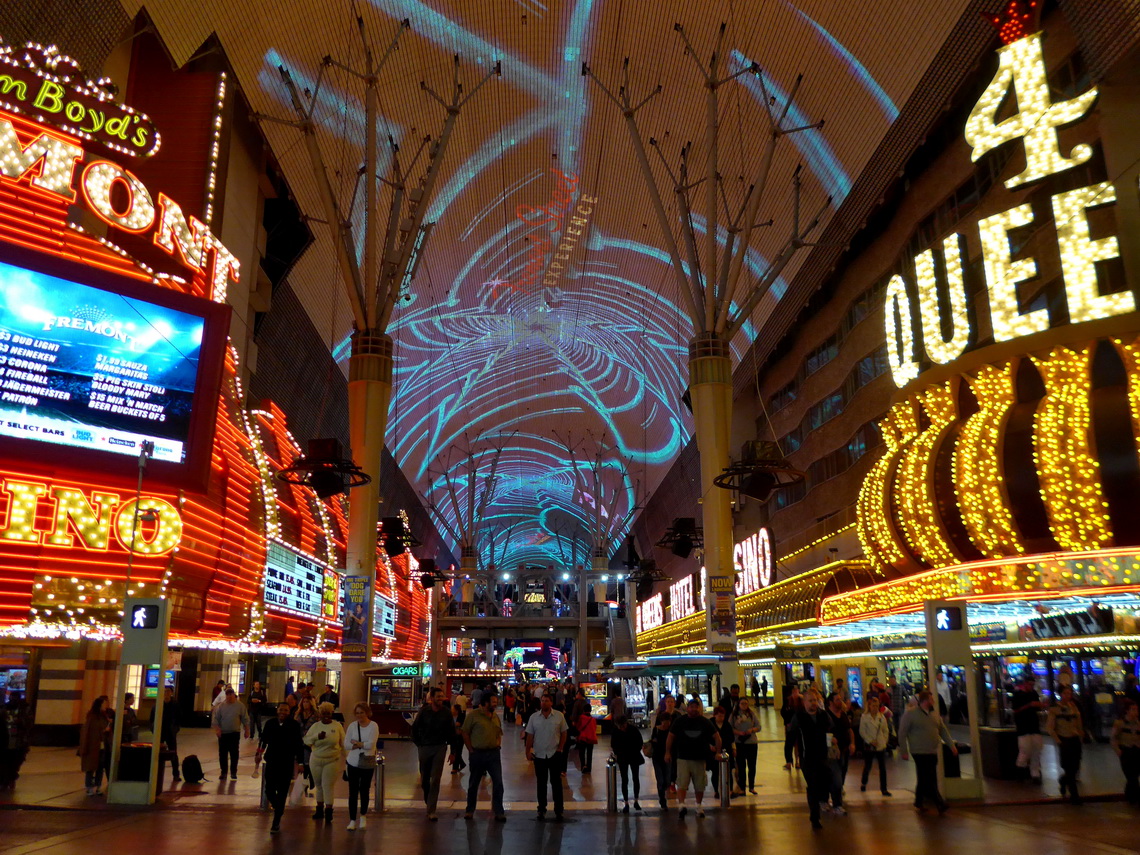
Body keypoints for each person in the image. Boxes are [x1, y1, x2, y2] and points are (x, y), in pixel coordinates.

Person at [898, 690, 956, 814]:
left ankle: (918, 801)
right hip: (919, 751)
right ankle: (939, 803)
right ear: (925, 701)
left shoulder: (934, 715)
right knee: (930, 777)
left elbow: (943, 731)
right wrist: (904, 750)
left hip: (932, 751)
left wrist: (952, 745)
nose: (933, 701)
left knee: (924, 777)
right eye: (931, 699)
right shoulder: (911, 714)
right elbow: (902, 733)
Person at [665, 698, 721, 820]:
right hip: (683, 757)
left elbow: (717, 737)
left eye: (696, 707)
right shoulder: (680, 721)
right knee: (682, 783)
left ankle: (699, 806)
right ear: (687, 708)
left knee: (699, 784)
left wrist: (718, 752)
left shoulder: (704, 722)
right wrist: (667, 752)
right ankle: (681, 805)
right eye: (691, 707)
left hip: (699, 758)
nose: (694, 709)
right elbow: (670, 737)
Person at [789, 688, 831, 830]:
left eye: (815, 700)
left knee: (823, 783)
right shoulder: (799, 717)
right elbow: (791, 737)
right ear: (804, 702)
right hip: (807, 757)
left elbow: (831, 730)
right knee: (812, 785)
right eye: (810, 700)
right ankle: (815, 817)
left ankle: (822, 801)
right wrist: (789, 757)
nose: (813, 703)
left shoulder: (823, 715)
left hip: (822, 756)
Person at [260, 702, 304, 833]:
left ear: (289, 712)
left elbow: (298, 744)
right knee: (269, 789)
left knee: (283, 791)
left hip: (286, 763)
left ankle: (276, 821)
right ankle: (277, 806)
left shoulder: (294, 725)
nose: (283, 712)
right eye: (281, 709)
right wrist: (259, 753)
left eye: (285, 710)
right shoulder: (270, 724)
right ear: (277, 710)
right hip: (272, 761)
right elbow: (263, 740)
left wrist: (301, 762)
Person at [411, 688, 454, 821]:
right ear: (432, 698)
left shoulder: (446, 713)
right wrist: (419, 744)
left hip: (440, 747)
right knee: (425, 779)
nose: (441, 699)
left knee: (435, 778)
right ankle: (428, 799)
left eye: (442, 696)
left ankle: (431, 810)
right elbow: (414, 729)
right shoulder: (424, 712)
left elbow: (451, 732)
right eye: (438, 696)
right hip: (425, 747)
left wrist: (453, 752)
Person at [525, 692, 568, 821]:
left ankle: (559, 810)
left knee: (556, 783)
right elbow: (530, 736)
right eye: (542, 700)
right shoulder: (534, 718)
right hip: (539, 755)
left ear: (551, 703)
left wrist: (560, 748)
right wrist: (528, 751)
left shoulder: (559, 716)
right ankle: (541, 809)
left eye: (546, 701)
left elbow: (564, 733)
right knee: (541, 784)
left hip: (554, 754)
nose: (544, 703)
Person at [462, 692, 506, 821]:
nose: (495, 703)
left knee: (498, 782)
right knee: (473, 783)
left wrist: (498, 745)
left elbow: (499, 732)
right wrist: (470, 749)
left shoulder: (495, 716)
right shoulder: (473, 715)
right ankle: (470, 810)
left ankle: (499, 811)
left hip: (493, 754)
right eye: (493, 701)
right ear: (485, 702)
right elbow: (465, 733)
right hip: (477, 754)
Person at [303, 701, 345, 823]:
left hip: (332, 760)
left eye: (328, 713)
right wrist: (317, 737)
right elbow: (306, 740)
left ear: (332, 713)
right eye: (323, 713)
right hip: (316, 759)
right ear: (320, 714)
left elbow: (343, 743)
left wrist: (348, 759)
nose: (326, 715)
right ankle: (319, 809)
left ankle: (329, 811)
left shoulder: (337, 726)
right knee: (319, 786)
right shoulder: (315, 726)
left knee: (328, 785)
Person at [1046, 685, 1085, 804]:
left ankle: (1063, 781)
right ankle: (1074, 795)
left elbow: (1079, 724)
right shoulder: (1054, 709)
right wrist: (1058, 740)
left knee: (1074, 767)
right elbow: (1050, 727)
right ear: (1060, 694)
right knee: (1069, 767)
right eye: (1065, 693)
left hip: (1074, 739)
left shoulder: (1073, 707)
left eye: (1070, 693)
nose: (1068, 696)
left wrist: (1081, 736)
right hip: (1064, 740)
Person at [343, 702, 379, 829]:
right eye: (357, 713)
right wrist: (362, 744)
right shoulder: (352, 726)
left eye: (362, 712)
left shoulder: (373, 726)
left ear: (367, 713)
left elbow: (371, 744)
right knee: (352, 792)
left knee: (364, 790)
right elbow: (346, 744)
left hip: (366, 762)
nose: (359, 715)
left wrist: (357, 743)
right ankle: (352, 819)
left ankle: (363, 815)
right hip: (352, 762)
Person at [1011, 673, 1044, 784]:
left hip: (1033, 725)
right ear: (1025, 684)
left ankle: (1034, 773)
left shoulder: (1033, 693)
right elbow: (1015, 710)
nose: (1031, 686)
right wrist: (1029, 705)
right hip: (1023, 726)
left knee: (1036, 749)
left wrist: (1039, 705)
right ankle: (1021, 772)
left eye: (1033, 684)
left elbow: (1037, 707)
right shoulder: (1018, 694)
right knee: (1025, 750)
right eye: (1030, 684)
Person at [826, 690, 855, 815]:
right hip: (832, 753)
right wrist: (832, 743)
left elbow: (849, 730)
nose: (840, 702)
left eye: (840, 699)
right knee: (836, 777)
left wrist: (852, 743)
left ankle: (834, 797)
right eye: (837, 700)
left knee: (842, 774)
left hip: (844, 750)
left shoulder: (842, 714)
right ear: (831, 702)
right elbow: (824, 734)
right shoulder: (826, 716)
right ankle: (837, 803)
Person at [211, 687, 250, 780]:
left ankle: (233, 772)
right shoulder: (221, 706)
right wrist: (217, 730)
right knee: (223, 754)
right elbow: (215, 719)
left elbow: (245, 719)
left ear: (234, 695)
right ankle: (223, 772)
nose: (229, 697)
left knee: (234, 754)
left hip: (234, 733)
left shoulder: (240, 706)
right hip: (223, 733)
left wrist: (247, 730)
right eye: (227, 695)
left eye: (230, 695)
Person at [610, 714, 644, 812]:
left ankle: (633, 801)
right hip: (630, 756)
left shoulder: (616, 731)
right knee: (627, 779)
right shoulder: (633, 730)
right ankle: (628, 802)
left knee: (631, 778)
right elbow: (639, 742)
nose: (621, 728)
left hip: (626, 757)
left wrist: (618, 752)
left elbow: (614, 744)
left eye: (622, 726)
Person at [859, 695, 891, 796]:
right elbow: (862, 731)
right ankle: (864, 782)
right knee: (868, 766)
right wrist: (869, 740)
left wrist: (884, 741)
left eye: (877, 706)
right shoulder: (865, 717)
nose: (875, 708)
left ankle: (884, 789)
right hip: (870, 745)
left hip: (880, 745)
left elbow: (886, 730)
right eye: (873, 706)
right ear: (869, 706)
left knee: (882, 768)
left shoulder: (881, 717)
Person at [79, 695, 110, 796]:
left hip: (102, 746)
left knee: (100, 767)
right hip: (93, 745)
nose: (105, 706)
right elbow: (89, 731)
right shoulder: (92, 717)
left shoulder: (103, 716)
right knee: (91, 767)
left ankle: (98, 786)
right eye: (103, 704)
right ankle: (89, 787)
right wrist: (104, 730)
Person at [1111, 699, 1140, 805]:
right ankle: (1135, 797)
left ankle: (1130, 795)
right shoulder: (1120, 723)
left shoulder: (1138, 723)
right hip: (1126, 752)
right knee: (1131, 776)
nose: (1135, 712)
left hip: (1137, 752)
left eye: (1136, 709)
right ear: (1127, 711)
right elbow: (1114, 738)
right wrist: (1118, 750)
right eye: (1133, 709)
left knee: (1134, 776)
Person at [731, 695, 761, 795]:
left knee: (752, 765)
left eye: (746, 704)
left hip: (751, 742)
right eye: (742, 703)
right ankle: (742, 787)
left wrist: (752, 730)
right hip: (740, 743)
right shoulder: (734, 715)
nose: (744, 705)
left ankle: (751, 786)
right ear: (739, 705)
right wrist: (738, 732)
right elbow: (729, 728)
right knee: (741, 766)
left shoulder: (751, 714)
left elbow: (758, 726)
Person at [150, 685, 181, 782]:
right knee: (157, 752)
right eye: (164, 691)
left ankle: (176, 774)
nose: (166, 693)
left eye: (168, 691)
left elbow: (179, 718)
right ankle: (154, 773)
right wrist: (153, 729)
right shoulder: (157, 705)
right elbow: (152, 719)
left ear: (171, 693)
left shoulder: (175, 705)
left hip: (170, 732)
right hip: (160, 732)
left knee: (173, 753)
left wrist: (175, 729)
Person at [649, 709, 674, 812]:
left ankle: (663, 793)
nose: (666, 724)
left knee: (667, 779)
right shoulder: (657, 730)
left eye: (667, 722)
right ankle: (662, 800)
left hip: (668, 758)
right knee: (660, 779)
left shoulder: (671, 731)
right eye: (664, 721)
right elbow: (653, 742)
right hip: (657, 757)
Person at [709, 705, 735, 799]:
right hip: (714, 751)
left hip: (725, 750)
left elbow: (731, 738)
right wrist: (710, 745)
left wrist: (733, 748)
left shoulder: (727, 725)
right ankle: (716, 790)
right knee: (715, 771)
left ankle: (730, 790)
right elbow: (705, 736)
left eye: (723, 716)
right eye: (719, 716)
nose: (721, 718)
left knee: (728, 770)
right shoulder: (710, 724)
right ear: (715, 715)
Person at [781, 685, 803, 770]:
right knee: (789, 744)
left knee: (798, 744)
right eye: (793, 691)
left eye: (796, 690)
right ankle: (789, 761)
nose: (795, 692)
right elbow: (783, 712)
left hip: (799, 726)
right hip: (790, 725)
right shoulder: (788, 700)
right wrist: (787, 723)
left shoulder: (801, 700)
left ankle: (798, 761)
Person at [575, 705, 598, 774]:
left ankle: (583, 766)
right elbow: (595, 728)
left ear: (583, 710)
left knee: (582, 753)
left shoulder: (581, 718)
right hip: (591, 738)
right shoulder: (593, 719)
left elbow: (578, 727)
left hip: (583, 738)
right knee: (589, 754)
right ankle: (589, 768)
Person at [450, 702, 468, 773]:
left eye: (452, 709)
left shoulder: (461, 716)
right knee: (454, 751)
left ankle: (455, 768)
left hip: (460, 736)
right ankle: (461, 764)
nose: (451, 710)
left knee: (457, 752)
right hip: (453, 736)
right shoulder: (450, 716)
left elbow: (458, 724)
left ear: (456, 710)